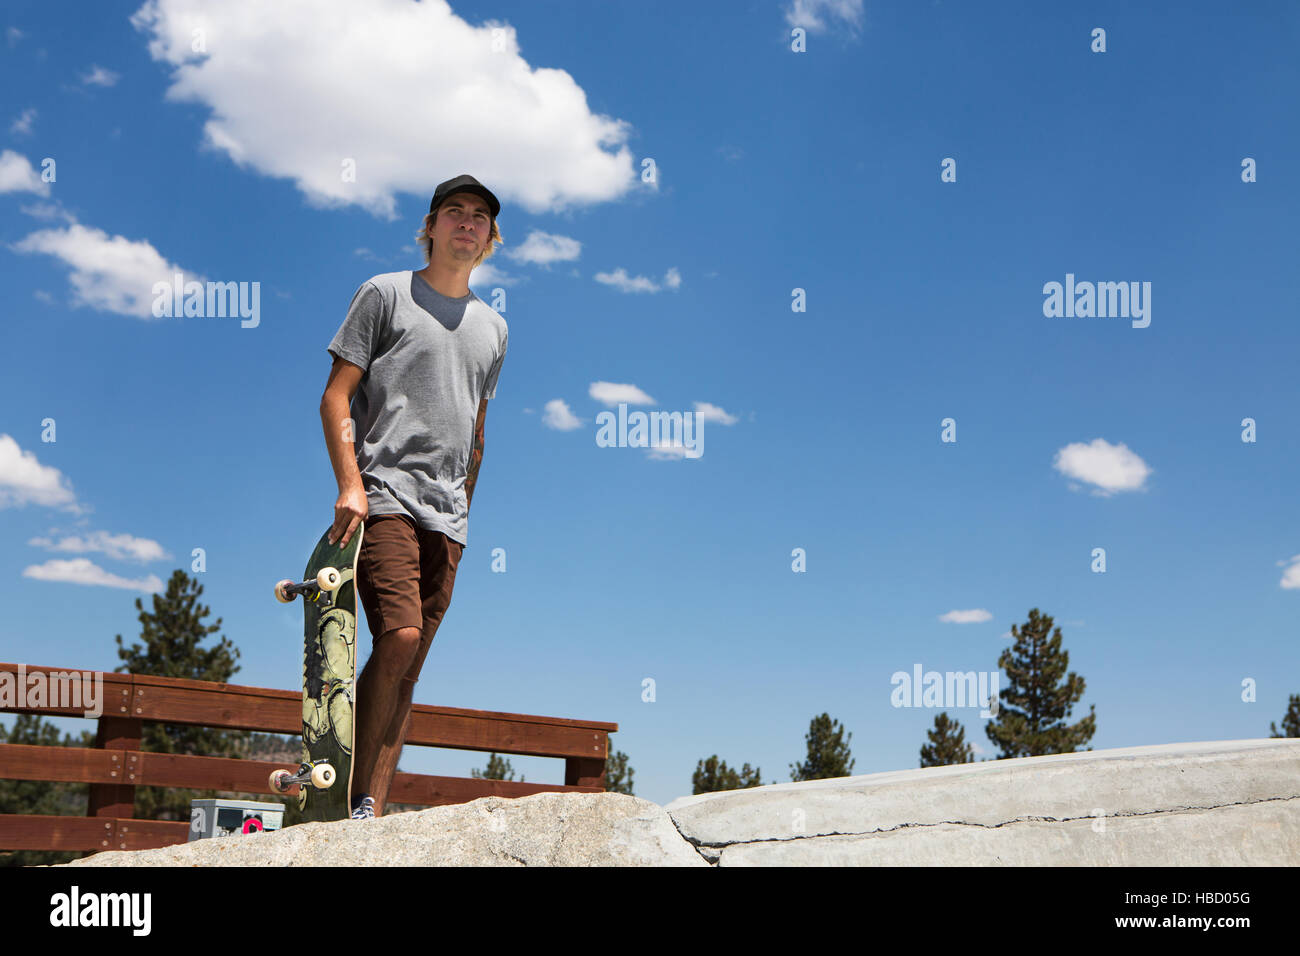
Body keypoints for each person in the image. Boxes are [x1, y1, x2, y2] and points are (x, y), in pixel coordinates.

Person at [319, 174, 507, 819]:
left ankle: (372, 804)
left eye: (479, 216)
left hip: (448, 517)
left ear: (490, 238)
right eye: (454, 211)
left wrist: (465, 514)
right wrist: (350, 484)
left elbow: (477, 432)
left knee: (411, 665)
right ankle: (344, 795)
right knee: (397, 635)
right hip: (384, 495)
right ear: (429, 226)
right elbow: (336, 395)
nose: (466, 222)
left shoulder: (495, 328)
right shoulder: (385, 294)